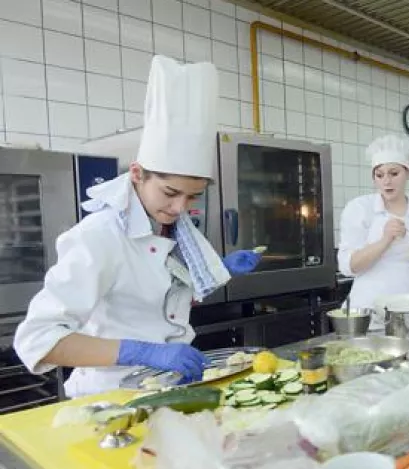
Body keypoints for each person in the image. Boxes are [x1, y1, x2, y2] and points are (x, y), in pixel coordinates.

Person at [14, 56, 261, 398]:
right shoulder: (98, 236)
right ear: (137, 174)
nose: (180, 208)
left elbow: (156, 302)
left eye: (193, 197)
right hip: (110, 398)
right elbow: (38, 340)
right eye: (170, 193)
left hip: (169, 388)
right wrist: (142, 351)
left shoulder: (178, 230)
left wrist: (220, 272)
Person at [338, 135, 409, 311]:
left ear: (408, 173)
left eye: (394, 173)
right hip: (368, 311)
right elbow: (349, 267)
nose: (386, 181)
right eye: (379, 175)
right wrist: (385, 240)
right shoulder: (359, 208)